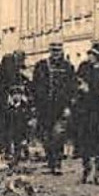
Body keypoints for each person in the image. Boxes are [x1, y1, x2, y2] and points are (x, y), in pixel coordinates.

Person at [31, 42, 75, 174]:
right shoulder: (41, 66)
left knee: (59, 135)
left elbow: (72, 87)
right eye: (53, 51)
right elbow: (35, 86)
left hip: (60, 106)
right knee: (46, 135)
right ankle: (50, 161)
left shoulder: (68, 67)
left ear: (62, 51)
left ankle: (57, 163)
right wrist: (35, 105)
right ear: (50, 51)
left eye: (58, 51)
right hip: (44, 107)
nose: (56, 54)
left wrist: (69, 106)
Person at [75, 42, 99, 184]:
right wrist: (80, 86)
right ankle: (86, 167)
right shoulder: (84, 67)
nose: (90, 57)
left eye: (93, 55)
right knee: (85, 141)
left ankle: (98, 172)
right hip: (85, 109)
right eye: (89, 54)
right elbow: (76, 81)